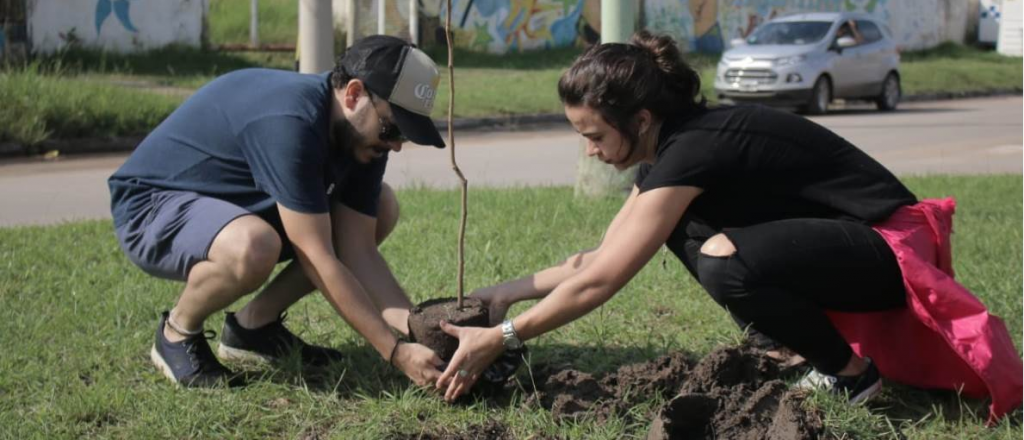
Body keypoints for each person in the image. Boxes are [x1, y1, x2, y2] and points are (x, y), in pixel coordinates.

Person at [433, 31, 1023, 421]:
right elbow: (599, 257)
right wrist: (499, 295)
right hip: (847, 251)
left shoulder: (695, 148)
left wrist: (505, 336)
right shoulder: (673, 152)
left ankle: (849, 375)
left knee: (720, 255)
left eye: (593, 136)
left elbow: (603, 282)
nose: (588, 152)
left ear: (639, 119)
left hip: (889, 252)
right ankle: (795, 347)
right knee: (686, 233)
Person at [108, 35, 447, 388]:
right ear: (353, 94)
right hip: (150, 207)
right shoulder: (293, 121)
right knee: (253, 246)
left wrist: (420, 329)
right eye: (393, 128)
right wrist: (393, 351)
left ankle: (254, 328)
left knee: (381, 206)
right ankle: (176, 333)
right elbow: (318, 258)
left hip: (234, 209)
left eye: (405, 135)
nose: (395, 145)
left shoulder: (360, 135)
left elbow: (358, 251)